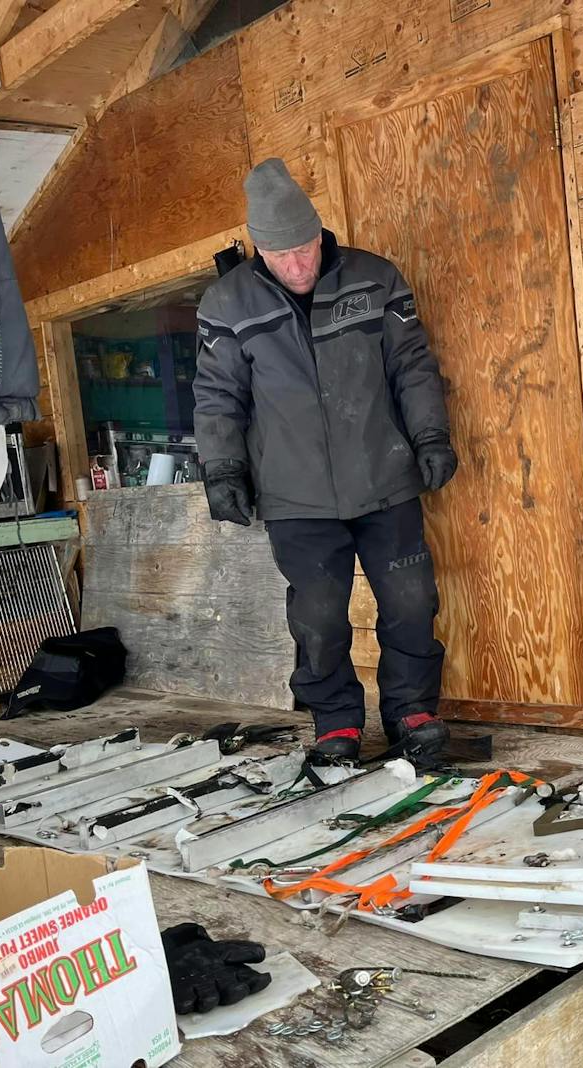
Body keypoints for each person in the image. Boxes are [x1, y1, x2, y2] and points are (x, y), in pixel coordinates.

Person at [192, 158, 458, 766]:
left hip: (385, 479)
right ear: (260, 249)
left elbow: (411, 366)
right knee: (317, 617)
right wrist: (224, 469)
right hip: (295, 495)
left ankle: (413, 713)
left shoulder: (375, 279)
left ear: (320, 232)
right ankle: (336, 723)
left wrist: (431, 437)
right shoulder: (226, 304)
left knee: (412, 601)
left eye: (306, 248)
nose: (299, 265)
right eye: (283, 255)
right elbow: (217, 397)